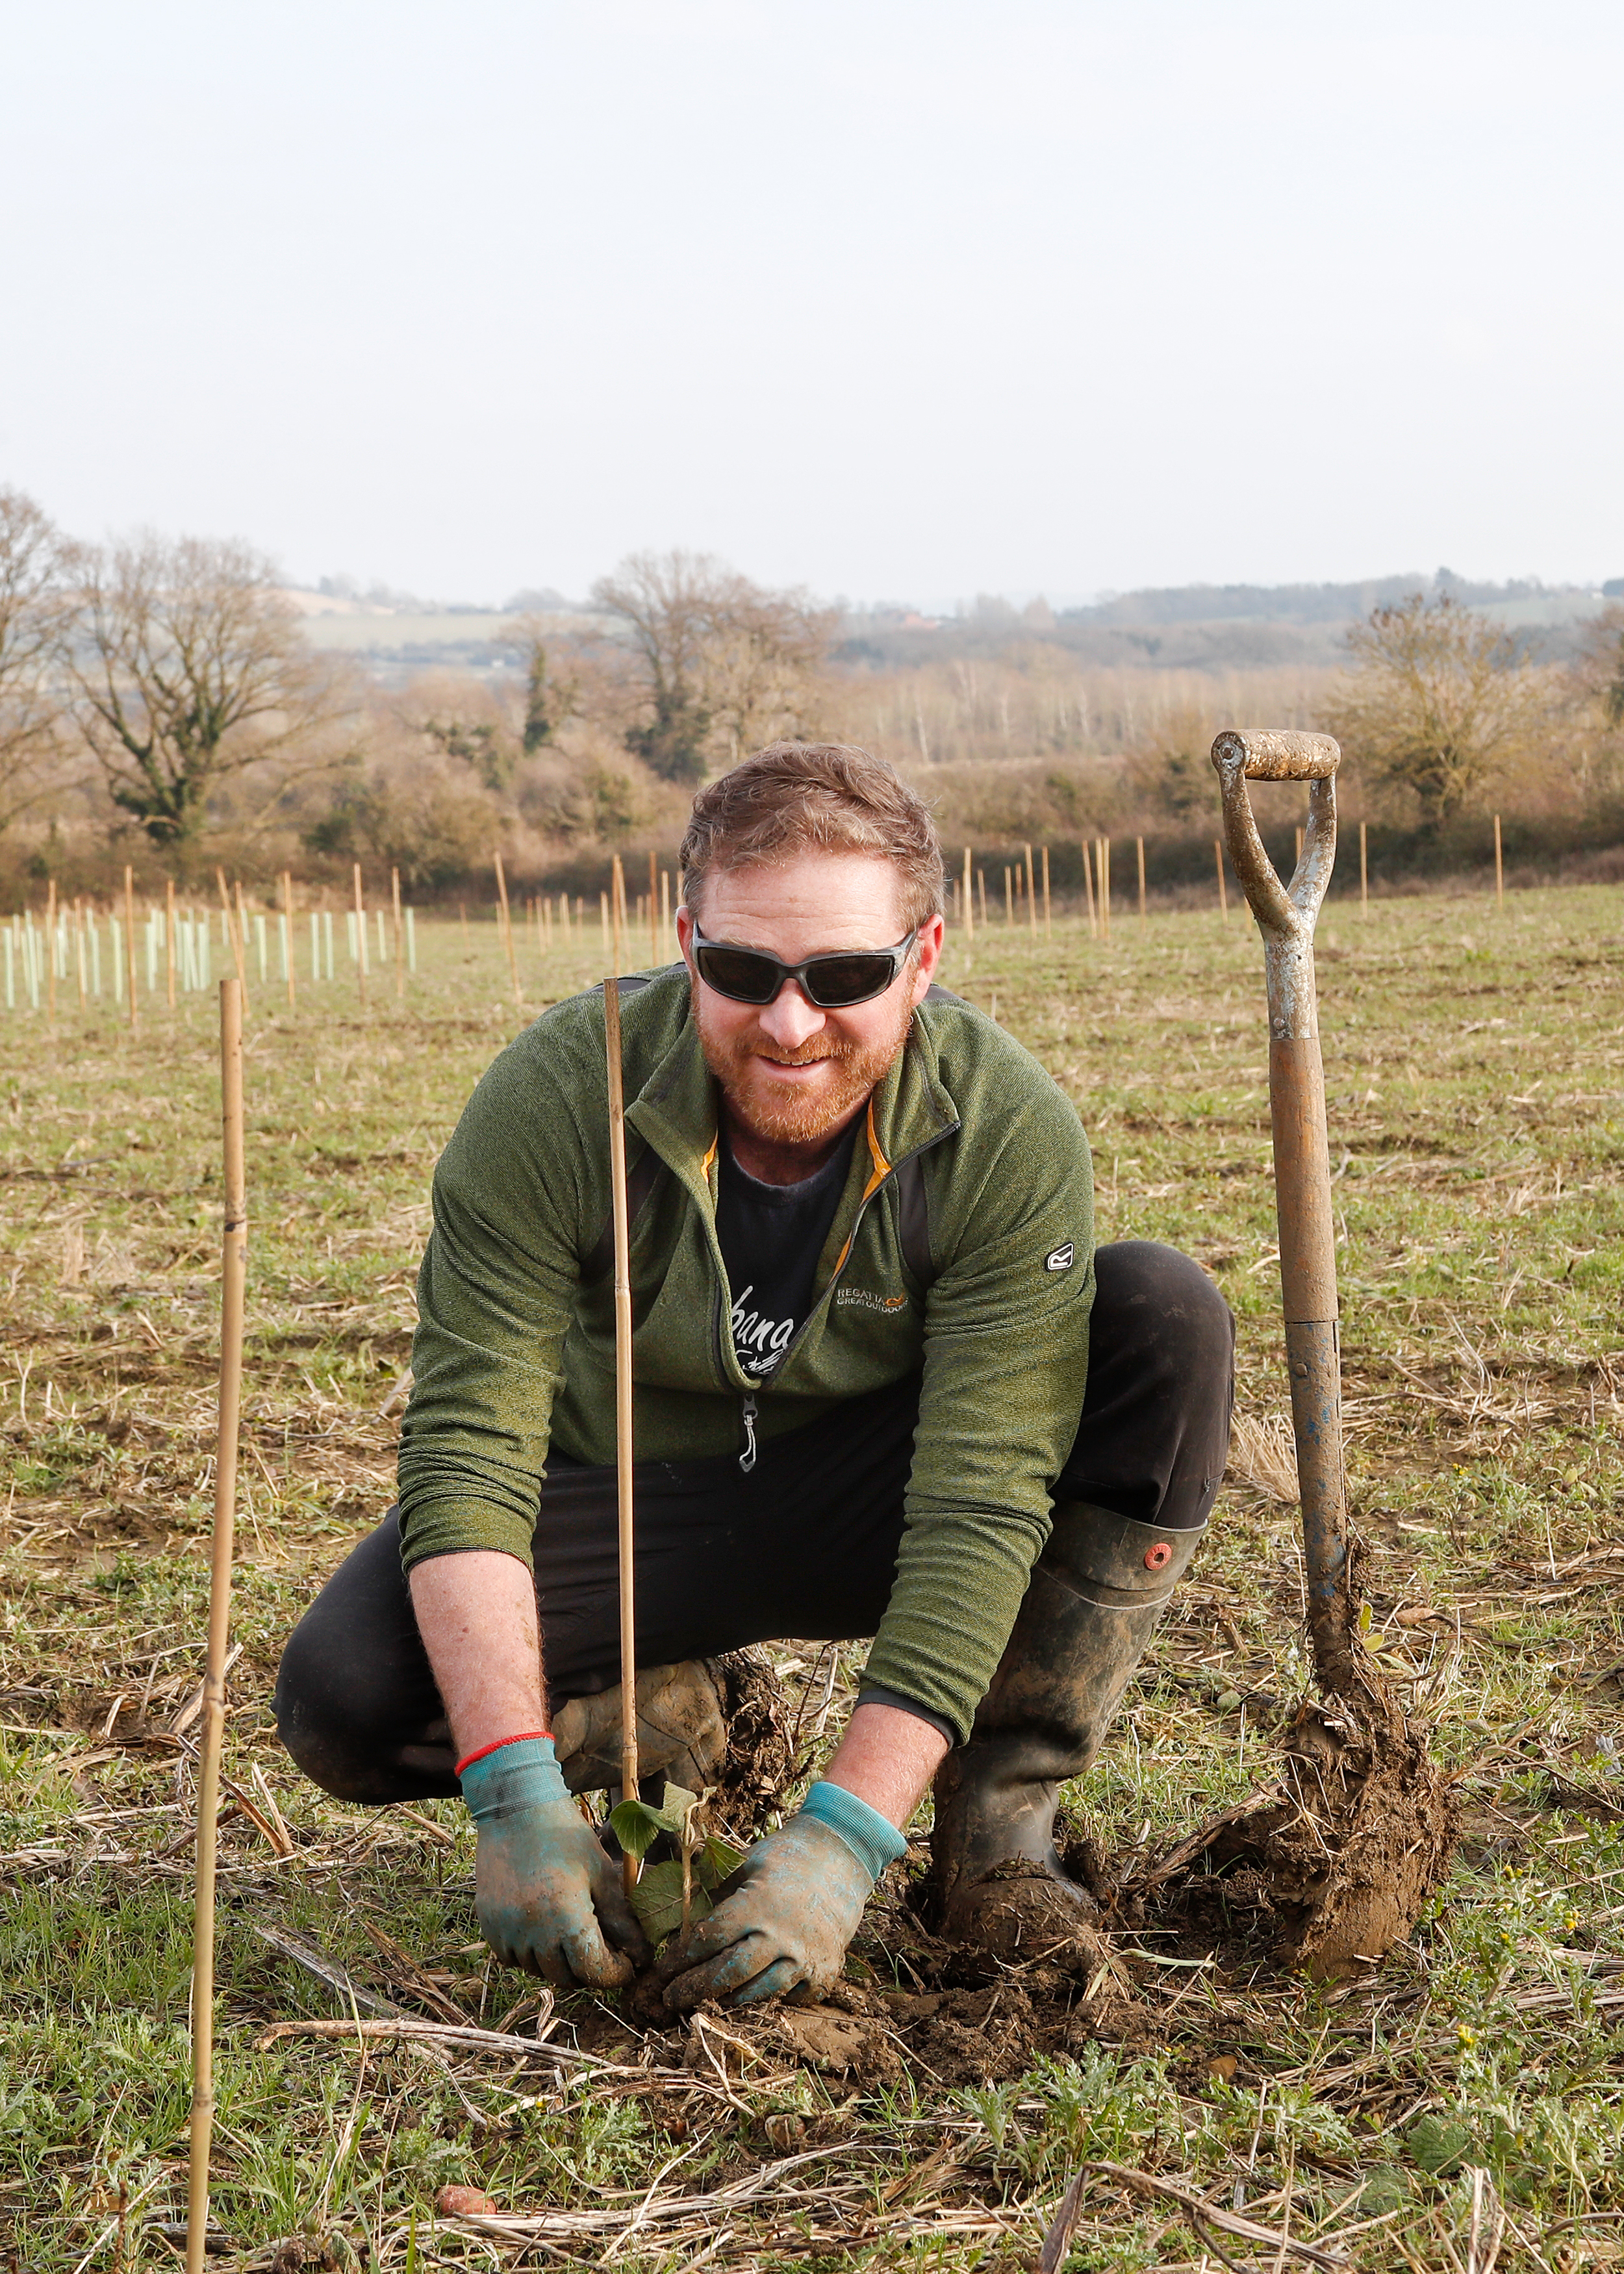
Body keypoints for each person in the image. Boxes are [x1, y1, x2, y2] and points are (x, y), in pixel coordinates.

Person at [275, 743, 1232, 2009]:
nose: (790, 1022)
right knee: (346, 1701)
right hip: (628, 1496)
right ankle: (632, 1701)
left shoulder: (1000, 1126)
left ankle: (996, 1827)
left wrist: (841, 1832)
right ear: (687, 943)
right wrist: (504, 1776)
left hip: (870, 1498)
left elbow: (980, 1498)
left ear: (924, 958)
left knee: (1160, 1312)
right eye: (741, 970)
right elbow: (470, 1447)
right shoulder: (562, 1094)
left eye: (844, 975)